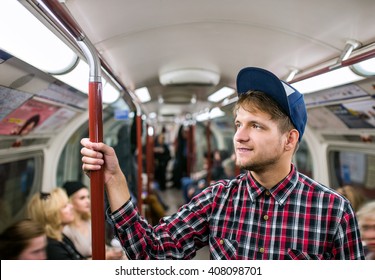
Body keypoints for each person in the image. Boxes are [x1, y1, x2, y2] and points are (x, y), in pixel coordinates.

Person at [80, 66, 364, 259]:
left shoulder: (333, 212)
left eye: (256, 126)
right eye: (238, 124)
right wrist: (115, 179)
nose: (239, 136)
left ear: (289, 140)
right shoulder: (219, 199)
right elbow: (152, 251)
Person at [62, 181, 125, 259]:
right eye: (82, 198)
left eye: (88, 197)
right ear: (70, 202)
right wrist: (107, 256)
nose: (88, 201)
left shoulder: (90, 221)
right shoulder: (66, 229)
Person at [27, 188, 85, 260]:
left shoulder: (61, 236)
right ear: (52, 215)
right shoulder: (51, 247)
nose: (71, 206)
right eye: (65, 206)